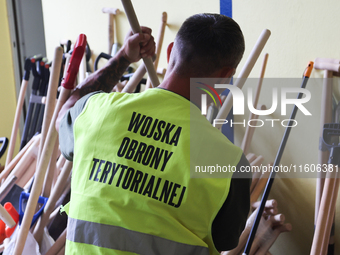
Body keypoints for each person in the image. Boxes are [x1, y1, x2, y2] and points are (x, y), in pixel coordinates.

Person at [57, 13, 251, 255]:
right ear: (225, 76)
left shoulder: (96, 112)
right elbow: (225, 241)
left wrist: (124, 58)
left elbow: (65, 109)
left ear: (170, 52)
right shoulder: (230, 164)